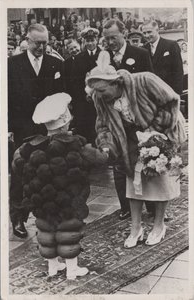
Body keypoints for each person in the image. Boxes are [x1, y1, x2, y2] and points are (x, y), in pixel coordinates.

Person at [85, 51, 186, 248]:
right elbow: (103, 125)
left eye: (103, 91)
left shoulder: (144, 81)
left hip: (162, 131)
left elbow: (171, 101)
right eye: (97, 92)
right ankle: (136, 228)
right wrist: (106, 144)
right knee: (133, 181)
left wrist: (154, 132)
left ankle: (158, 226)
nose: (100, 96)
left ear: (116, 83)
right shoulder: (101, 98)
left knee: (160, 179)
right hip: (130, 137)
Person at [11, 92, 108, 278]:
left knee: (46, 230)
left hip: (41, 201)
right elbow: (100, 159)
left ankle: (53, 267)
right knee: (68, 230)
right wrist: (105, 148)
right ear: (65, 120)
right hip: (69, 202)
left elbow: (16, 165)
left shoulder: (29, 147)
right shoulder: (76, 144)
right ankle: (72, 269)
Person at [8, 23, 66, 238]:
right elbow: (5, 99)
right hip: (22, 127)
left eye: (45, 43)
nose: (41, 47)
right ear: (27, 40)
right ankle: (18, 218)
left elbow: (62, 96)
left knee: (48, 174)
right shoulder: (12, 64)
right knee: (21, 173)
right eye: (37, 43)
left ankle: (46, 218)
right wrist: (9, 129)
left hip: (49, 130)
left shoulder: (56, 64)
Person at [102, 18, 154, 220]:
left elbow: (149, 84)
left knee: (144, 160)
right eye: (106, 39)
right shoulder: (103, 56)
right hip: (114, 120)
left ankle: (151, 205)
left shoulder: (139, 54)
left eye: (113, 37)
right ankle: (124, 206)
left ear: (123, 34)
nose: (110, 42)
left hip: (137, 118)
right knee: (118, 164)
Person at [71, 28, 101, 145]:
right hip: (84, 101)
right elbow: (75, 81)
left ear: (97, 40)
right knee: (86, 128)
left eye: (92, 40)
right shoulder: (79, 58)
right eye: (87, 41)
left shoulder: (104, 54)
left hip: (100, 99)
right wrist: (84, 95)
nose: (90, 43)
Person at [142, 20, 184, 95]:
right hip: (151, 94)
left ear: (157, 30)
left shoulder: (171, 45)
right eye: (144, 33)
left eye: (149, 32)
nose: (147, 35)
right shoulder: (143, 49)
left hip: (169, 92)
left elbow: (178, 71)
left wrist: (177, 94)